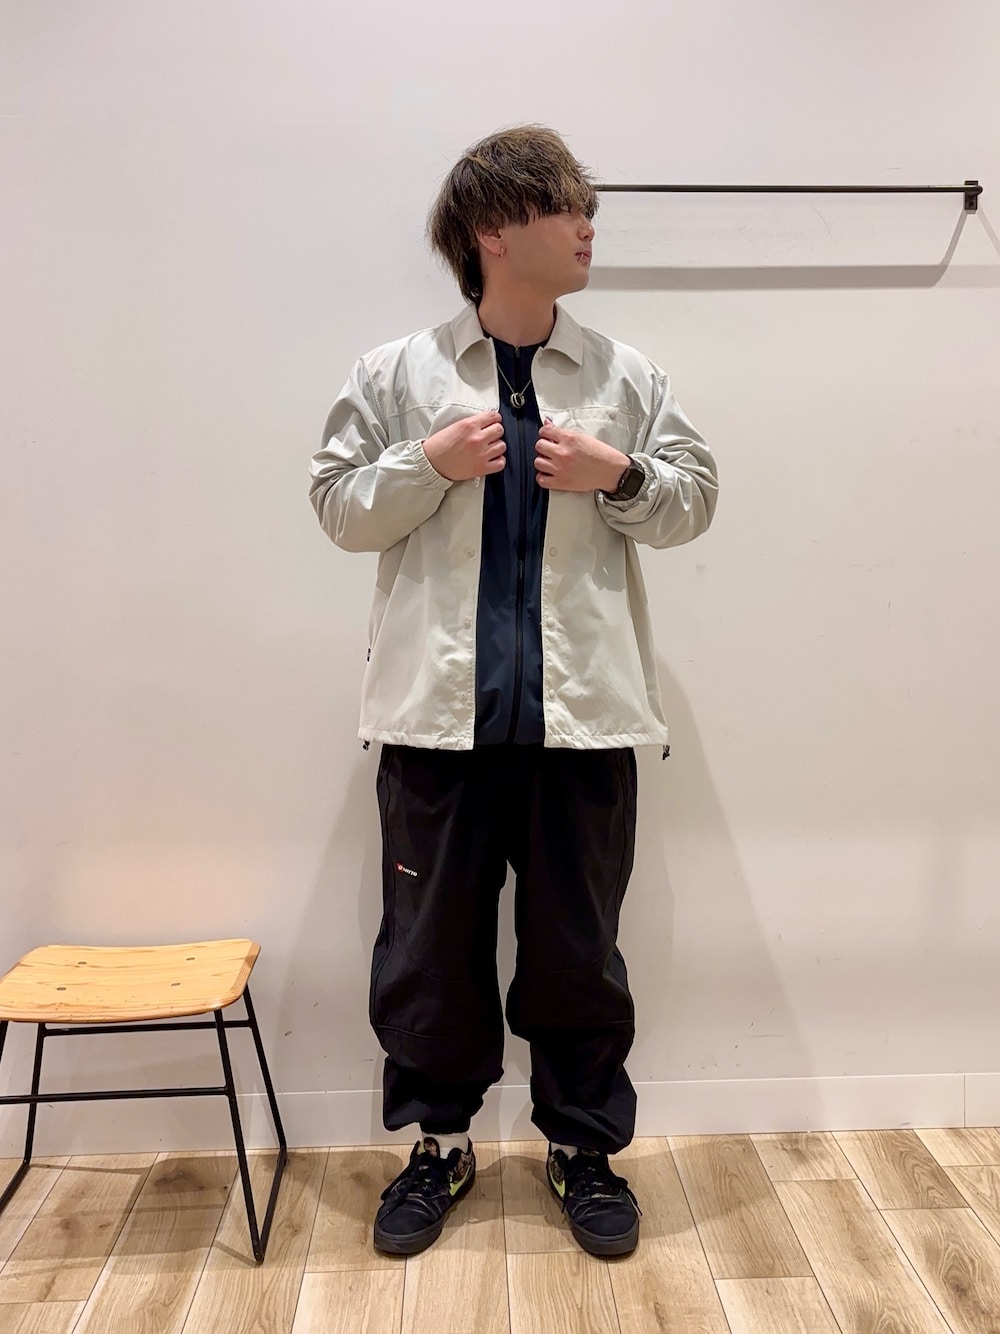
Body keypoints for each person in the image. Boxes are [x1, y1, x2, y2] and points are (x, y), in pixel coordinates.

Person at [308, 124, 718, 1259]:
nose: (588, 227)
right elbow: (337, 506)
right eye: (566, 207)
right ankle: (439, 1146)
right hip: (433, 728)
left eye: (588, 209)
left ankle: (581, 1150)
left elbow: (693, 499)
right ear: (494, 229)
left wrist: (620, 472)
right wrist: (427, 463)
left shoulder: (626, 377)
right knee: (428, 954)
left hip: (583, 726)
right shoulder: (396, 376)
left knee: (578, 952)